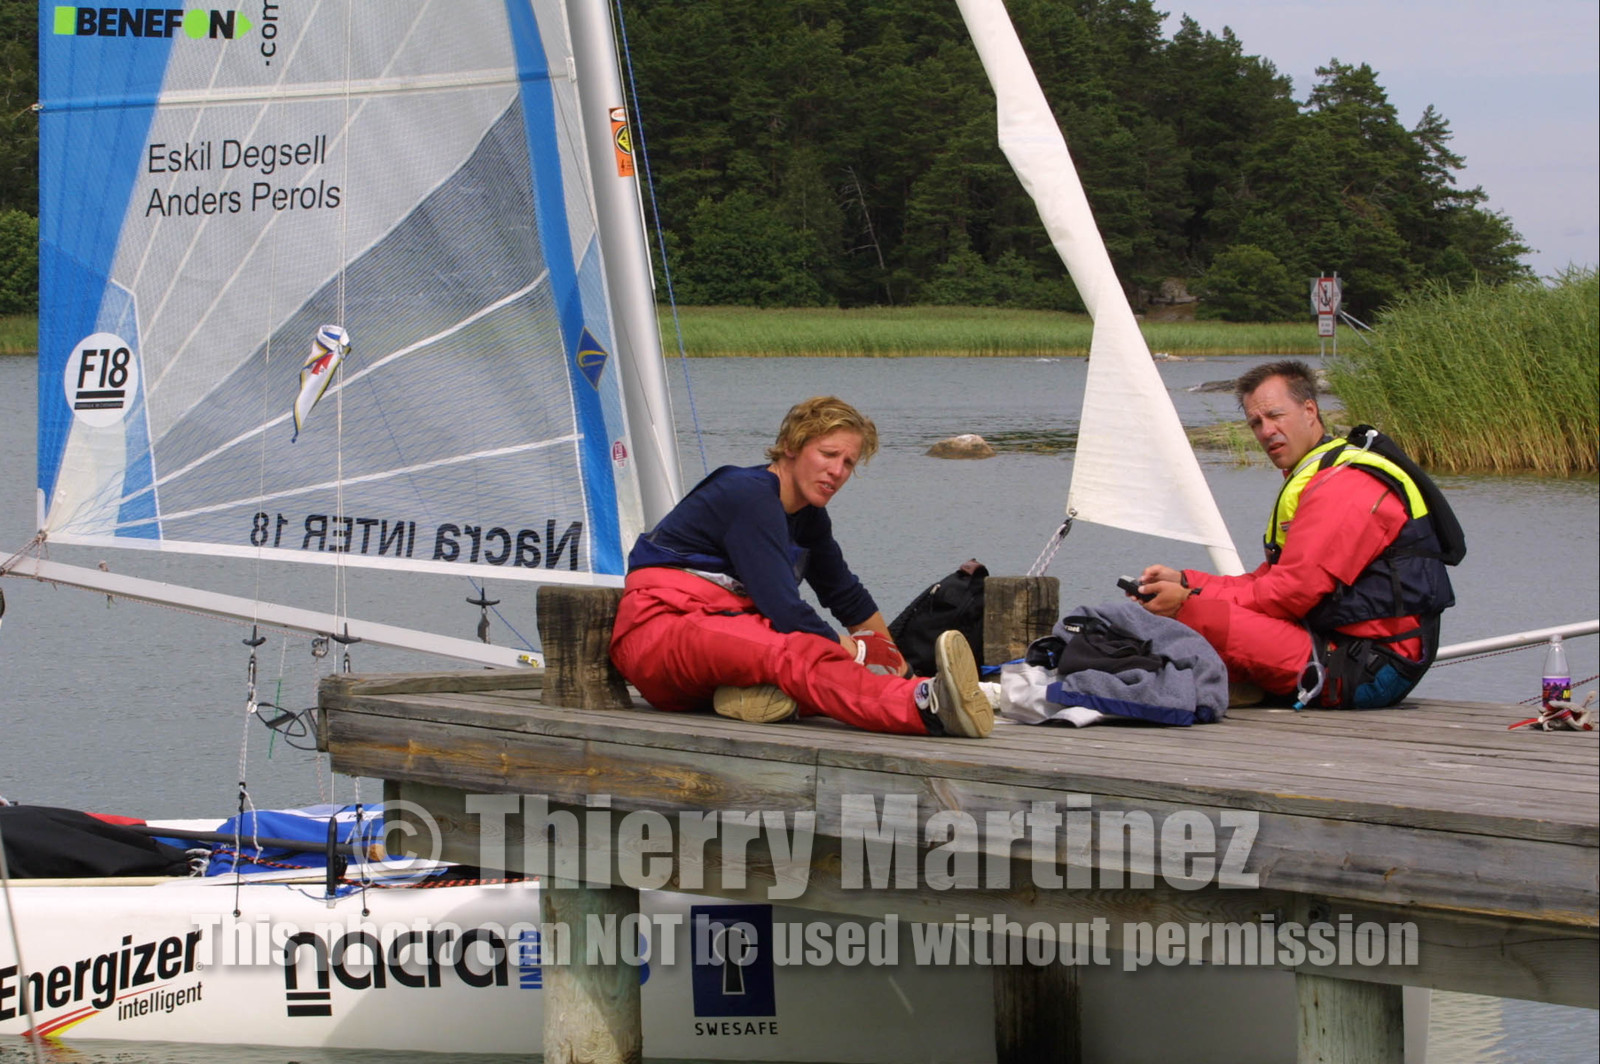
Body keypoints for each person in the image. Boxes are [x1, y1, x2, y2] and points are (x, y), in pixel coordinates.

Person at [609, 396, 993, 737]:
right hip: (662, 630)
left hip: (725, 635)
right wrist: (854, 652)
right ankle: (926, 707)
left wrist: (903, 668)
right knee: (797, 651)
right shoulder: (749, 495)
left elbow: (847, 596)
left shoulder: (809, 516)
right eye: (828, 454)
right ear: (791, 447)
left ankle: (752, 699)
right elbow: (784, 610)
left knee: (806, 667)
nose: (838, 471)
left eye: (848, 463)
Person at [1130, 360, 1455, 709]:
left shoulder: (1346, 485)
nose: (1266, 430)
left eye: (1275, 415)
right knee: (1183, 612)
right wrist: (1186, 580)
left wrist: (1185, 601)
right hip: (1333, 642)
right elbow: (1267, 580)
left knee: (1189, 615)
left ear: (1310, 410)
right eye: (1256, 422)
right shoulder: (1318, 474)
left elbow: (1291, 594)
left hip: (1369, 667)